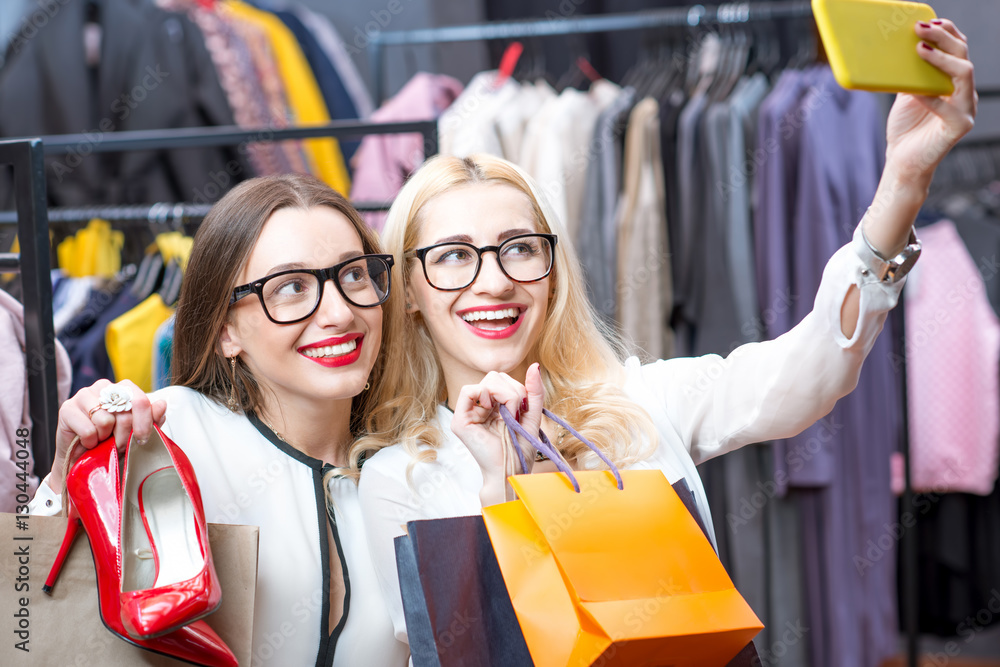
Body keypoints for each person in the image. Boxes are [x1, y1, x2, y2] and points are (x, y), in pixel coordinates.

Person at [357, 19, 978, 650]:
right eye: (454, 256)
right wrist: (502, 492)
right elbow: (474, 653)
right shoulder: (397, 479)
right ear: (407, 289)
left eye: (519, 248)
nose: (494, 282)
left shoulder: (637, 404)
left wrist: (903, 181)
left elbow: (806, 372)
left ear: (552, 271)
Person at [29, 174, 410, 666]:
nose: (339, 312)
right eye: (292, 286)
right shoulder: (164, 437)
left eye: (354, 274)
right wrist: (64, 476)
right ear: (226, 329)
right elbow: (29, 601)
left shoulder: (410, 464)